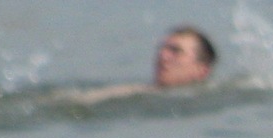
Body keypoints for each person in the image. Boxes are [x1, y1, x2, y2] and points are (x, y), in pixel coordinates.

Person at [65, 27, 216, 104]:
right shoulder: (135, 92)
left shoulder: (206, 99)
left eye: (175, 51)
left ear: (202, 70)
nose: (162, 56)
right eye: (162, 49)